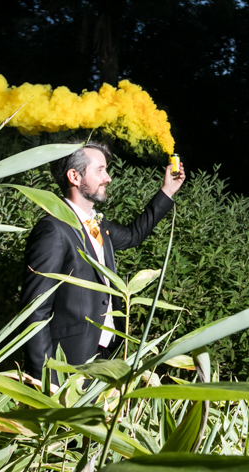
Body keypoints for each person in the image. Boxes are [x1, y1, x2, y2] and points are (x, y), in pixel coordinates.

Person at [20, 141, 185, 379]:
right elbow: (34, 311)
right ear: (74, 176)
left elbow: (133, 236)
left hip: (102, 357)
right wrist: (46, 376)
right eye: (100, 170)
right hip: (66, 362)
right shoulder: (53, 229)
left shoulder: (99, 226)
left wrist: (167, 191)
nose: (107, 178)